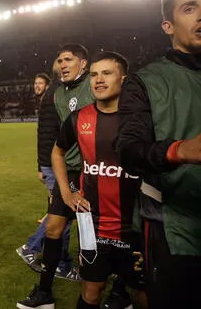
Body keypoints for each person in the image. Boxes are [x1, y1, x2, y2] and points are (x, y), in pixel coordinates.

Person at [116, 0, 201, 309]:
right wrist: (179, 150)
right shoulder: (146, 80)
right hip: (174, 231)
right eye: (190, 8)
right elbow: (129, 150)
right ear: (168, 25)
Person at [41, 51, 146, 309]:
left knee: (144, 293)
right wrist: (65, 192)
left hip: (135, 225)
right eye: (94, 74)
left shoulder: (142, 118)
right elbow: (57, 151)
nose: (98, 80)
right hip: (95, 225)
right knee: (91, 290)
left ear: (124, 79)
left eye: (107, 73)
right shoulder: (79, 118)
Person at [16, 68, 72, 276]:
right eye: (35, 83)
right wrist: (44, 166)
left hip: (52, 163)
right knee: (61, 211)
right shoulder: (57, 96)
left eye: (40, 83)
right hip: (57, 163)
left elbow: (45, 137)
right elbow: (50, 138)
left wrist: (41, 166)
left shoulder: (51, 98)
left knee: (60, 210)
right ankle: (35, 249)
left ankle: (60, 261)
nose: (36, 86)